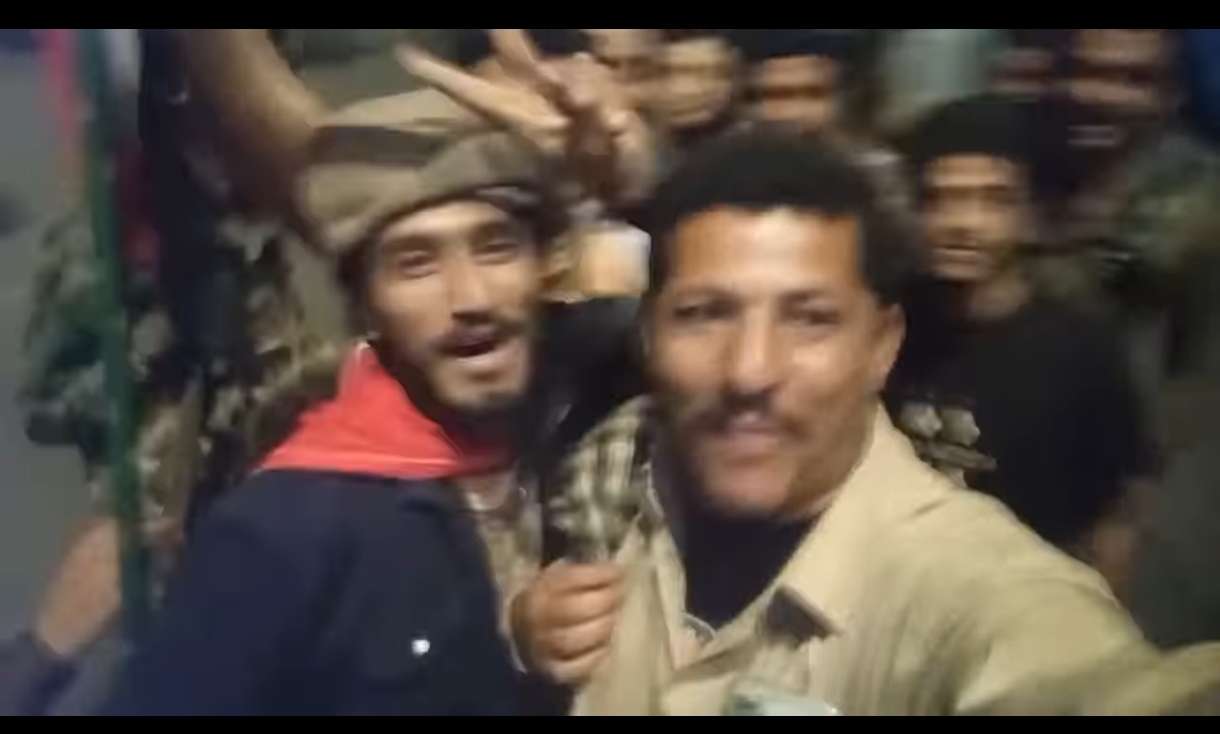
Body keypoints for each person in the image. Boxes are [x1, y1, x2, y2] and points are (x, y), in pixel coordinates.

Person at [512, 131, 1220, 715]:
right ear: (647, 338)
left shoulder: (965, 588)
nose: (749, 371)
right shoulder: (612, 481)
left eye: (810, 319)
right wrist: (523, 631)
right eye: (704, 314)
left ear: (881, 347)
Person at [100, 86, 567, 715]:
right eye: (415, 264)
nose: (472, 298)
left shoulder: (587, 434)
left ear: (544, 269)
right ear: (365, 307)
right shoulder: (284, 530)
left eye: (496, 247)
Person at [888, 95, 1158, 591]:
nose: (963, 222)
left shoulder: (1080, 349)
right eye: (941, 198)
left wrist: (1096, 620)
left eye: (993, 200)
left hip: (1021, 604)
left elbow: (1116, 515)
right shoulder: (886, 325)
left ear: (1030, 215)